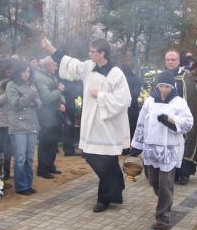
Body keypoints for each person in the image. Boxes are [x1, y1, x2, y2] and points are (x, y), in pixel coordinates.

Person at [43, 37, 131, 213]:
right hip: (91, 123)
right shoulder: (89, 67)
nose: (89, 53)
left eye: (92, 51)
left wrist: (100, 95)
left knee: (108, 159)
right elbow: (70, 63)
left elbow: (124, 100)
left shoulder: (116, 74)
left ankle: (104, 199)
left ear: (102, 53)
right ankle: (116, 185)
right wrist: (51, 48)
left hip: (108, 125)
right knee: (91, 156)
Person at [130, 70, 193, 230]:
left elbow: (188, 123)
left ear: (172, 87)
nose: (163, 90)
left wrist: (171, 120)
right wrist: (136, 144)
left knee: (165, 184)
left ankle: (163, 217)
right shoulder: (150, 101)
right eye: (161, 86)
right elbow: (141, 123)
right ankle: (166, 201)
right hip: (151, 149)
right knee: (153, 181)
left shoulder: (179, 102)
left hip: (168, 151)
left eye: (167, 86)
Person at [163, 50, 197, 185]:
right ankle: (171, 172)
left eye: (173, 60)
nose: (170, 62)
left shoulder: (186, 76)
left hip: (182, 115)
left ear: (179, 61)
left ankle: (184, 173)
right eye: (168, 60)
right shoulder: (162, 75)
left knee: (185, 143)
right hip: (167, 116)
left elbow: (191, 98)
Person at [6, 62, 41, 195]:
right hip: (18, 126)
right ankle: (21, 186)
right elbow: (16, 104)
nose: (26, 74)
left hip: (32, 124)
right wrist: (30, 96)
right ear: (18, 72)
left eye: (28, 72)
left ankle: (28, 183)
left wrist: (30, 99)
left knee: (30, 156)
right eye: (23, 71)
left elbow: (39, 104)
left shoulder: (31, 85)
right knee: (20, 157)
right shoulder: (11, 85)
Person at [33, 56, 65, 179]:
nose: (56, 67)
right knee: (45, 142)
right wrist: (58, 90)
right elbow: (46, 97)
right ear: (47, 66)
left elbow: (59, 93)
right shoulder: (40, 78)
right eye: (54, 65)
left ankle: (50, 165)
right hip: (46, 115)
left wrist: (62, 103)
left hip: (55, 114)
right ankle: (42, 169)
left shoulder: (52, 76)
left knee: (54, 142)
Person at [120, 63, 141, 156]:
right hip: (134, 107)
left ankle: (124, 148)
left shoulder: (122, 79)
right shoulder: (136, 78)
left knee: (124, 128)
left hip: (124, 107)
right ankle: (132, 147)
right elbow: (137, 92)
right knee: (133, 127)